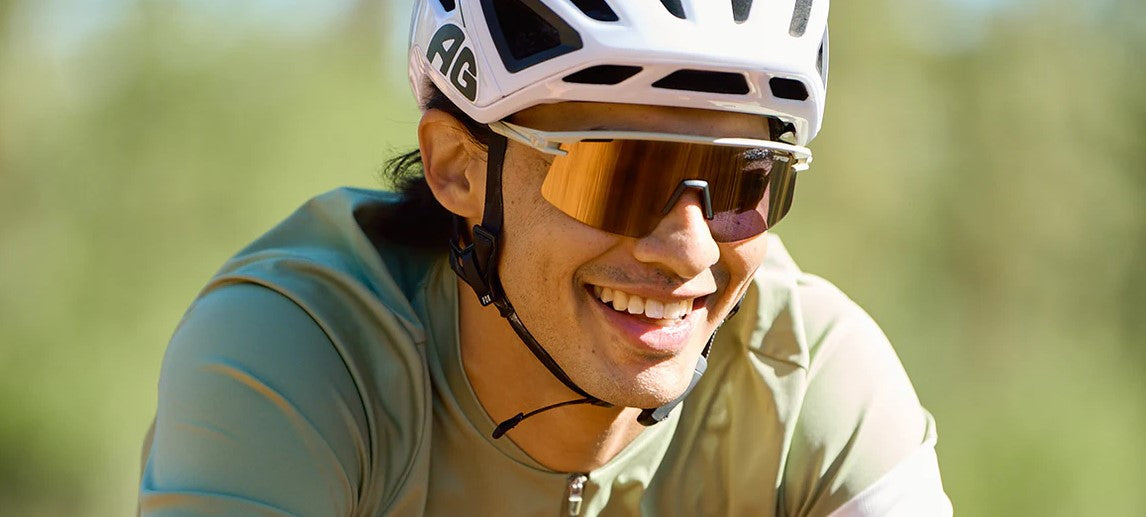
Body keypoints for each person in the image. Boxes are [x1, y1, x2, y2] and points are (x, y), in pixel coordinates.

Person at [138, 0, 953, 515]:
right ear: (458, 167)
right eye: (619, 175)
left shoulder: (809, 376)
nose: (690, 249)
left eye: (746, 180)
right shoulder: (299, 352)